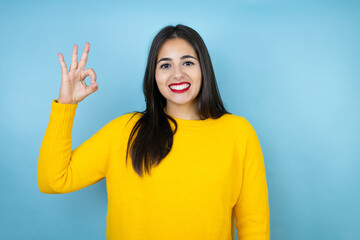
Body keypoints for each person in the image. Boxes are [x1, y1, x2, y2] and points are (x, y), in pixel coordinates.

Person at [37, 24, 270, 240]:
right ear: (154, 75)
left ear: (204, 69)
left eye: (188, 62)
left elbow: (254, 226)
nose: (177, 74)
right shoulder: (125, 131)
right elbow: (53, 180)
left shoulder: (238, 133)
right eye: (165, 65)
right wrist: (66, 105)